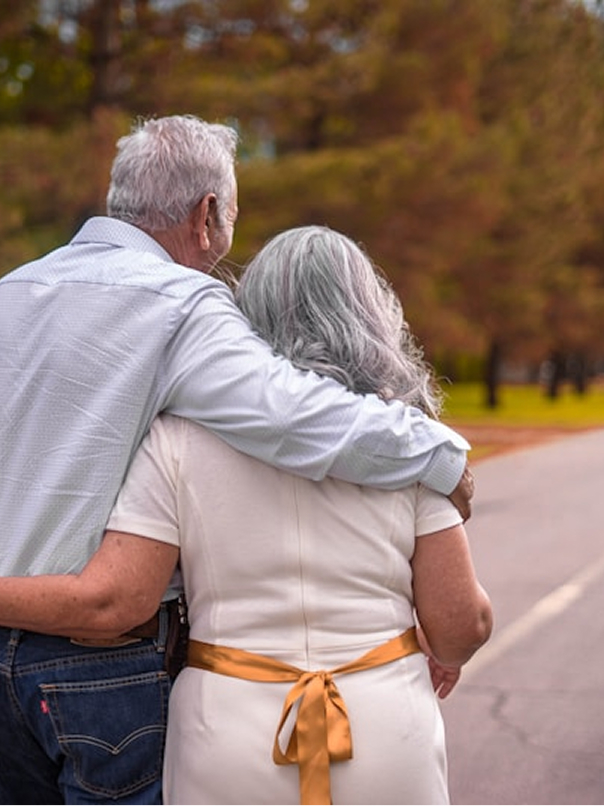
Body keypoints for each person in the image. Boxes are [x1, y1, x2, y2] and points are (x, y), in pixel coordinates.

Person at [0, 114, 474, 805]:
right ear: (208, 214)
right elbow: (292, 415)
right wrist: (439, 451)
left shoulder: (11, 292)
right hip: (99, 670)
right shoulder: (186, 304)